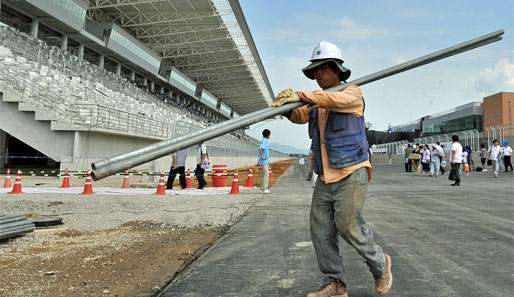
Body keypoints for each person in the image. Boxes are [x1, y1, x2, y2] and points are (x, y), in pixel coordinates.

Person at [273, 41, 392, 297]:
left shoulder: (351, 93)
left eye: (320, 69)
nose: (316, 75)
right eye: (313, 72)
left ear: (335, 68)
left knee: (349, 226)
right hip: (325, 175)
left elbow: (332, 100)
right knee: (320, 229)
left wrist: (302, 96)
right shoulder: (317, 101)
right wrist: (286, 109)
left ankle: (381, 265)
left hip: (351, 171)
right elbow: (301, 116)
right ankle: (335, 284)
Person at [258, 129, 271, 194]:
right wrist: (262, 156)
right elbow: (260, 148)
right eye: (270, 134)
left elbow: (261, 149)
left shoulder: (263, 140)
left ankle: (262, 188)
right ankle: (264, 188)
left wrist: (259, 159)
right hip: (264, 161)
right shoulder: (265, 141)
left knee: (263, 175)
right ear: (268, 135)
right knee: (266, 175)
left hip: (264, 161)